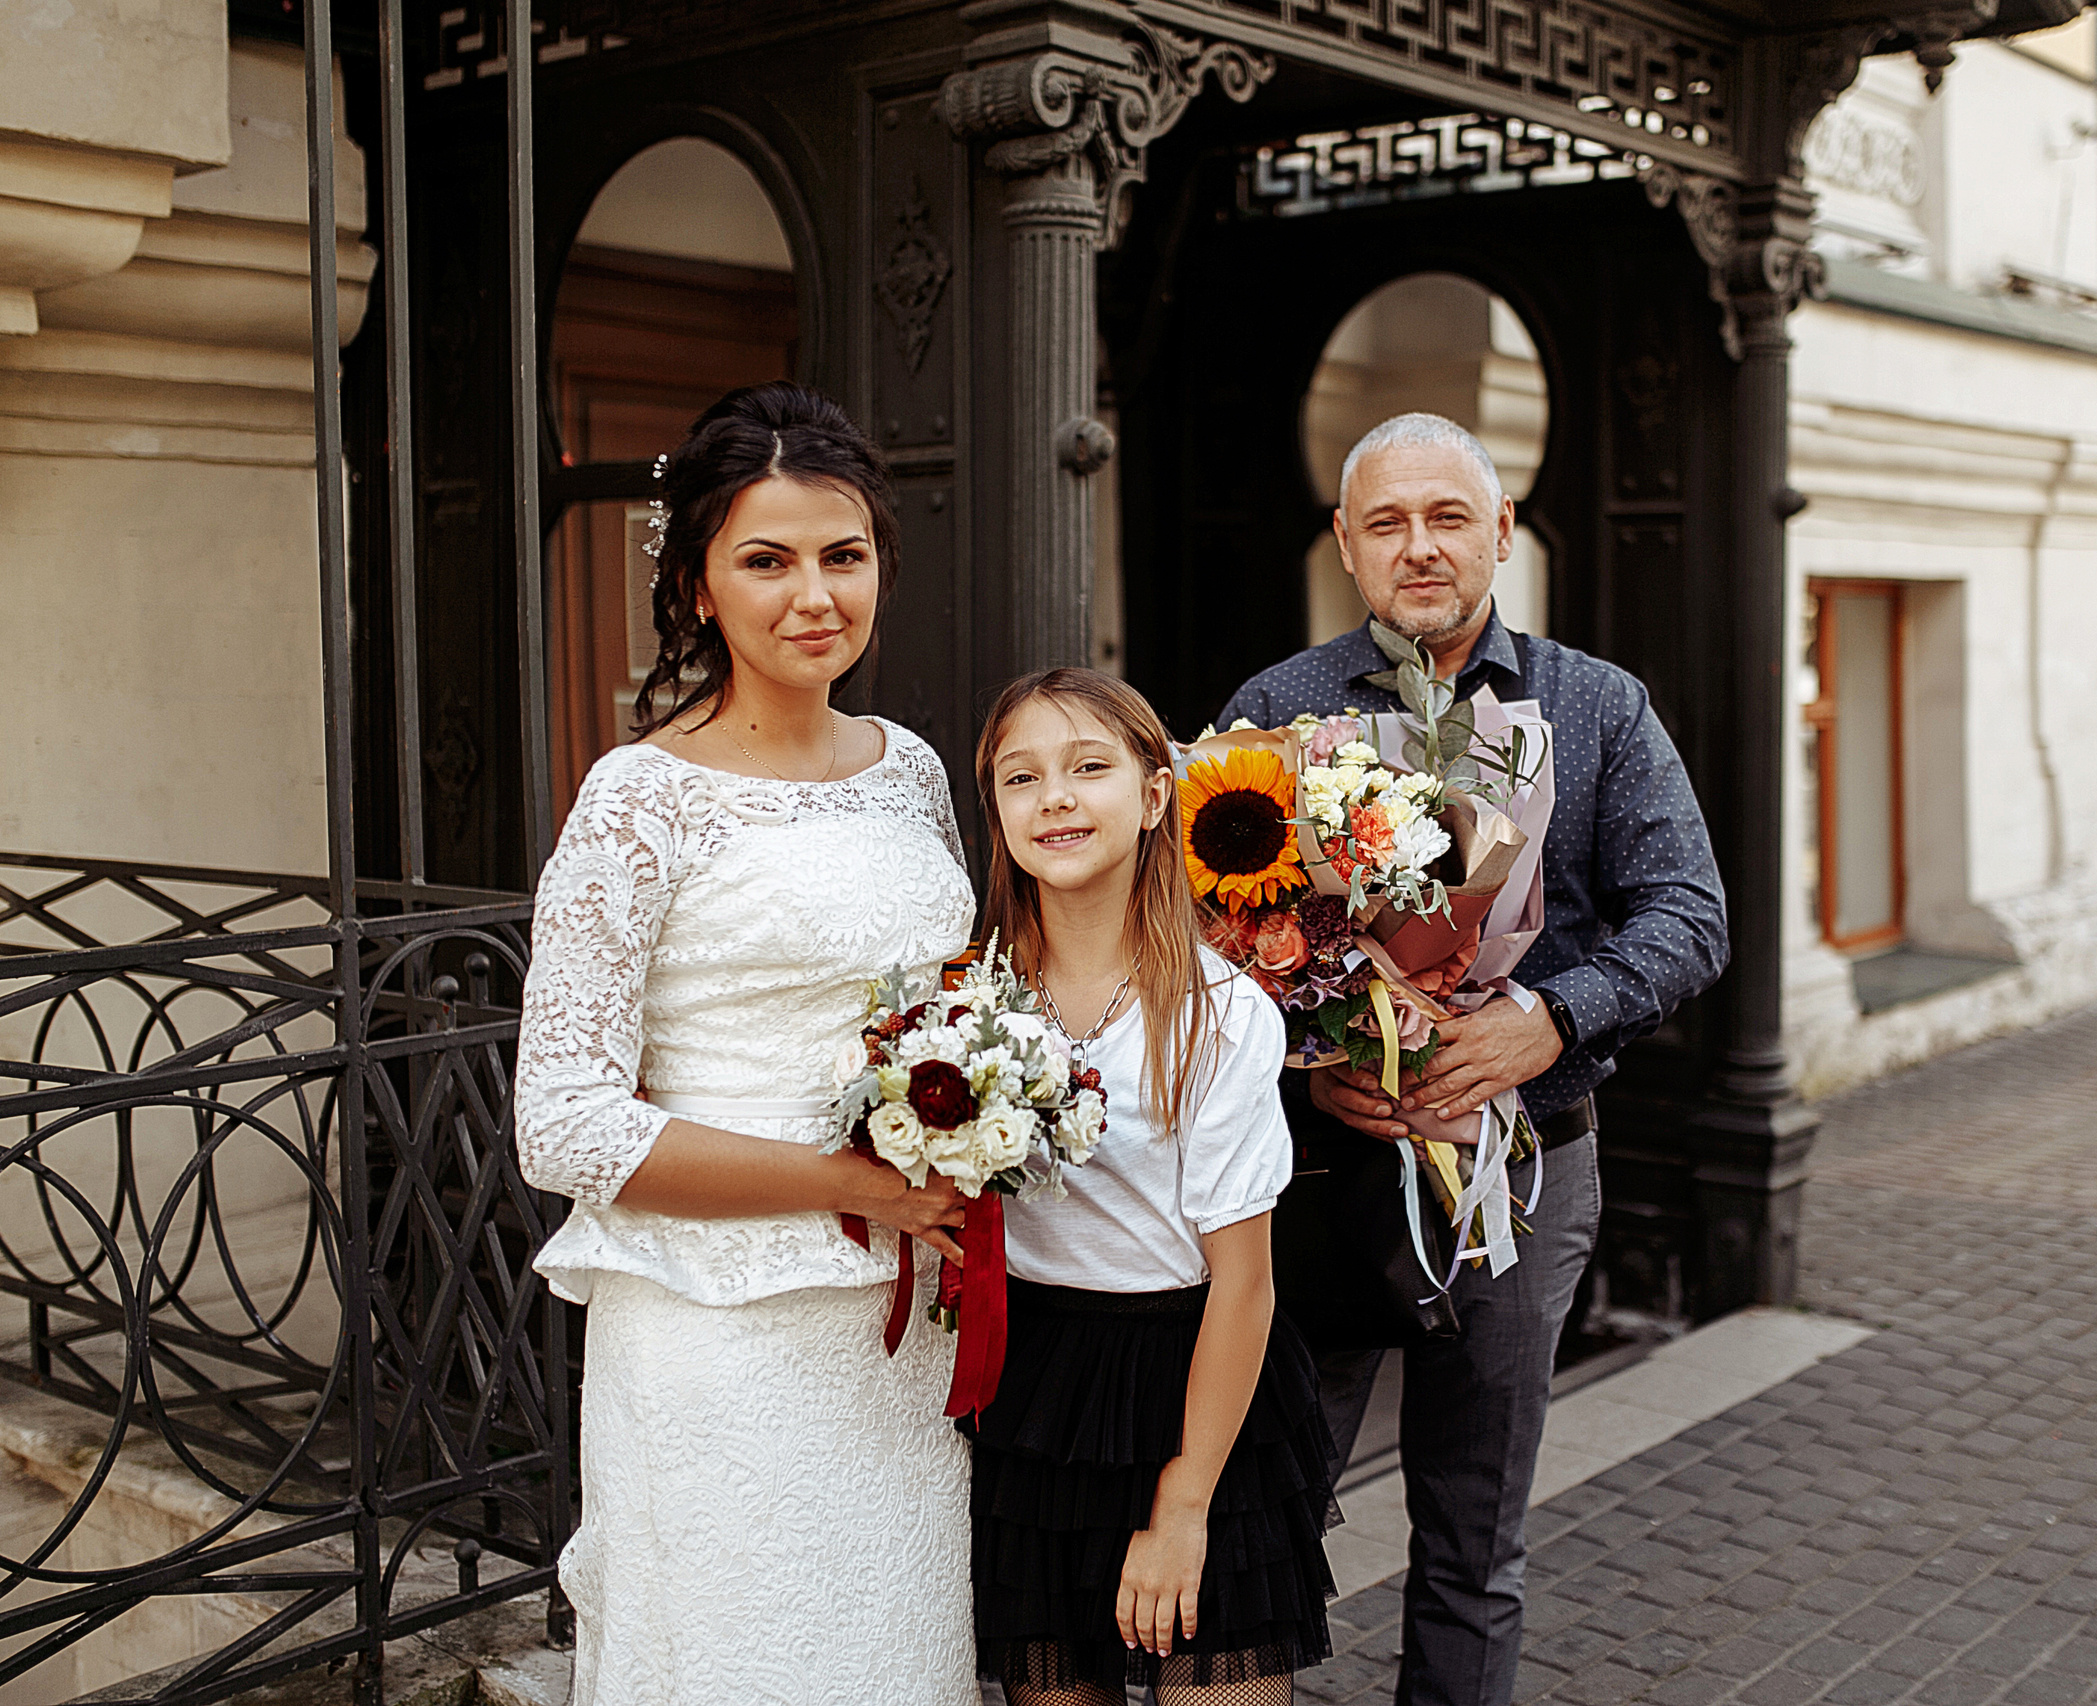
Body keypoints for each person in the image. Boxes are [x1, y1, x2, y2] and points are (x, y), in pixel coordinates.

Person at [1215, 412, 1729, 1706]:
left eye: (1449, 517)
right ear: (1344, 542)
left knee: (1471, 1542)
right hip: (1319, 1180)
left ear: (1501, 530)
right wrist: (1304, 1059)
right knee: (1264, 1508)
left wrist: (1547, 1018)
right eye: (1386, 521)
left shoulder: (1598, 706)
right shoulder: (1274, 712)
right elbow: (1202, 953)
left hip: (1528, 1174)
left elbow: (1692, 913)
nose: (1420, 546)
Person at [513, 381, 980, 1706]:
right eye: (766, 560)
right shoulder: (639, 797)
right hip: (717, 1331)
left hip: (904, 1328)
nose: (812, 592)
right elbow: (565, 1122)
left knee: (896, 1655)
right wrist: (845, 1184)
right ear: (701, 586)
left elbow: (953, 1011)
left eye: (843, 554)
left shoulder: (914, 769)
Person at [966, 667, 1340, 1706]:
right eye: (1020, 775)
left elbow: (1244, 1284)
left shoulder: (1215, 1013)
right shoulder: (967, 995)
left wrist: (1183, 1507)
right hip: (1036, 1392)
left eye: (1089, 766)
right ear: (994, 808)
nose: (1056, 797)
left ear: (1153, 795)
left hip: (1193, 1380)